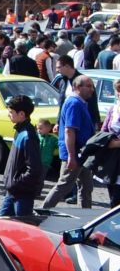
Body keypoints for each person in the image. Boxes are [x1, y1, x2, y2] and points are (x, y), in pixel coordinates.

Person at [44, 76, 102, 209]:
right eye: (88, 86)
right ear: (77, 87)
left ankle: (86, 216)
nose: (92, 90)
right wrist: (71, 155)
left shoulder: (81, 102)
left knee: (87, 186)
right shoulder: (74, 103)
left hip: (83, 153)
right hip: (75, 153)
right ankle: (42, 211)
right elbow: (69, 131)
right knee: (64, 184)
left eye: (92, 86)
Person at [0, 94, 43, 217]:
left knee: (22, 227)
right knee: (2, 224)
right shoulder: (20, 131)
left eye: (11, 112)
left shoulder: (28, 136)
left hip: (22, 195)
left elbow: (34, 168)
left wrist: (15, 183)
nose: (9, 114)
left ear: (22, 114)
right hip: (12, 192)